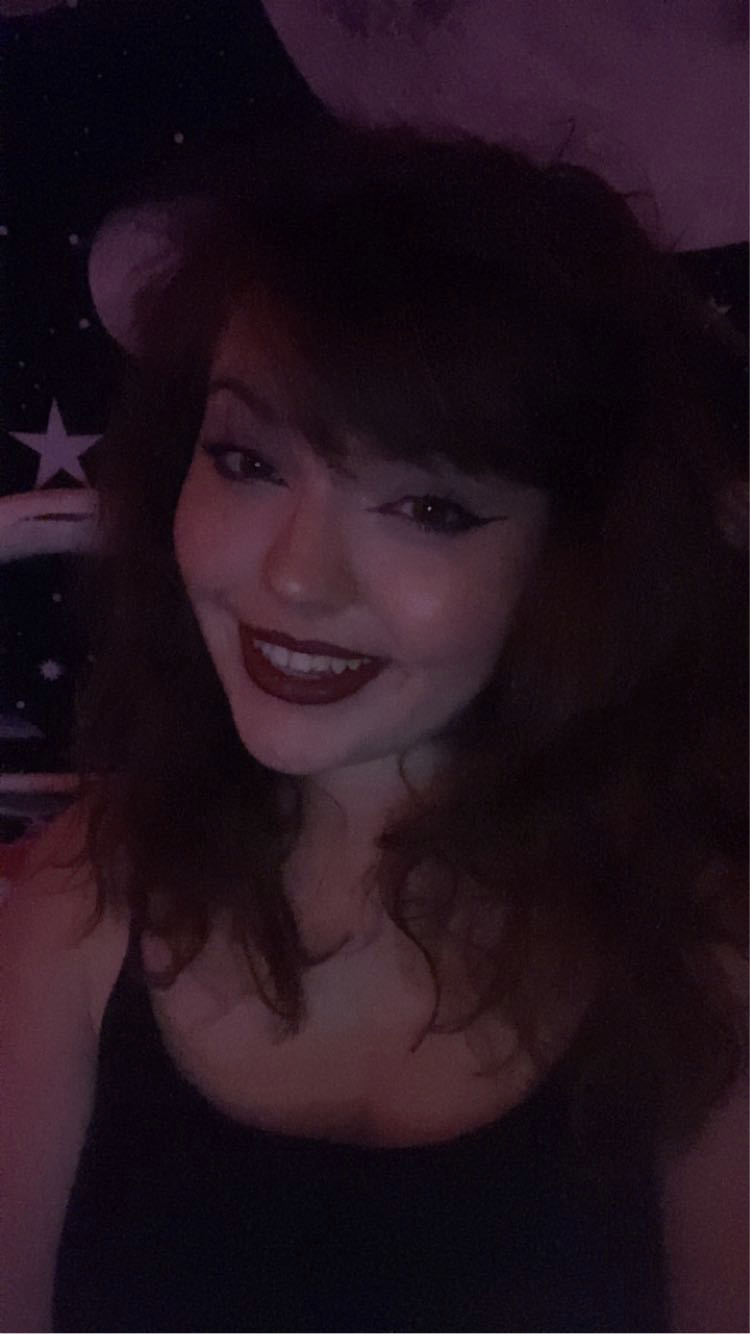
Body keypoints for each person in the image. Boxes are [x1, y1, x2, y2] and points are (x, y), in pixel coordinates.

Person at [1, 117, 747, 1333]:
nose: (297, 577)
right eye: (247, 459)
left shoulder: (709, 948)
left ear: (568, 557)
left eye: (427, 506)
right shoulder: (85, 899)